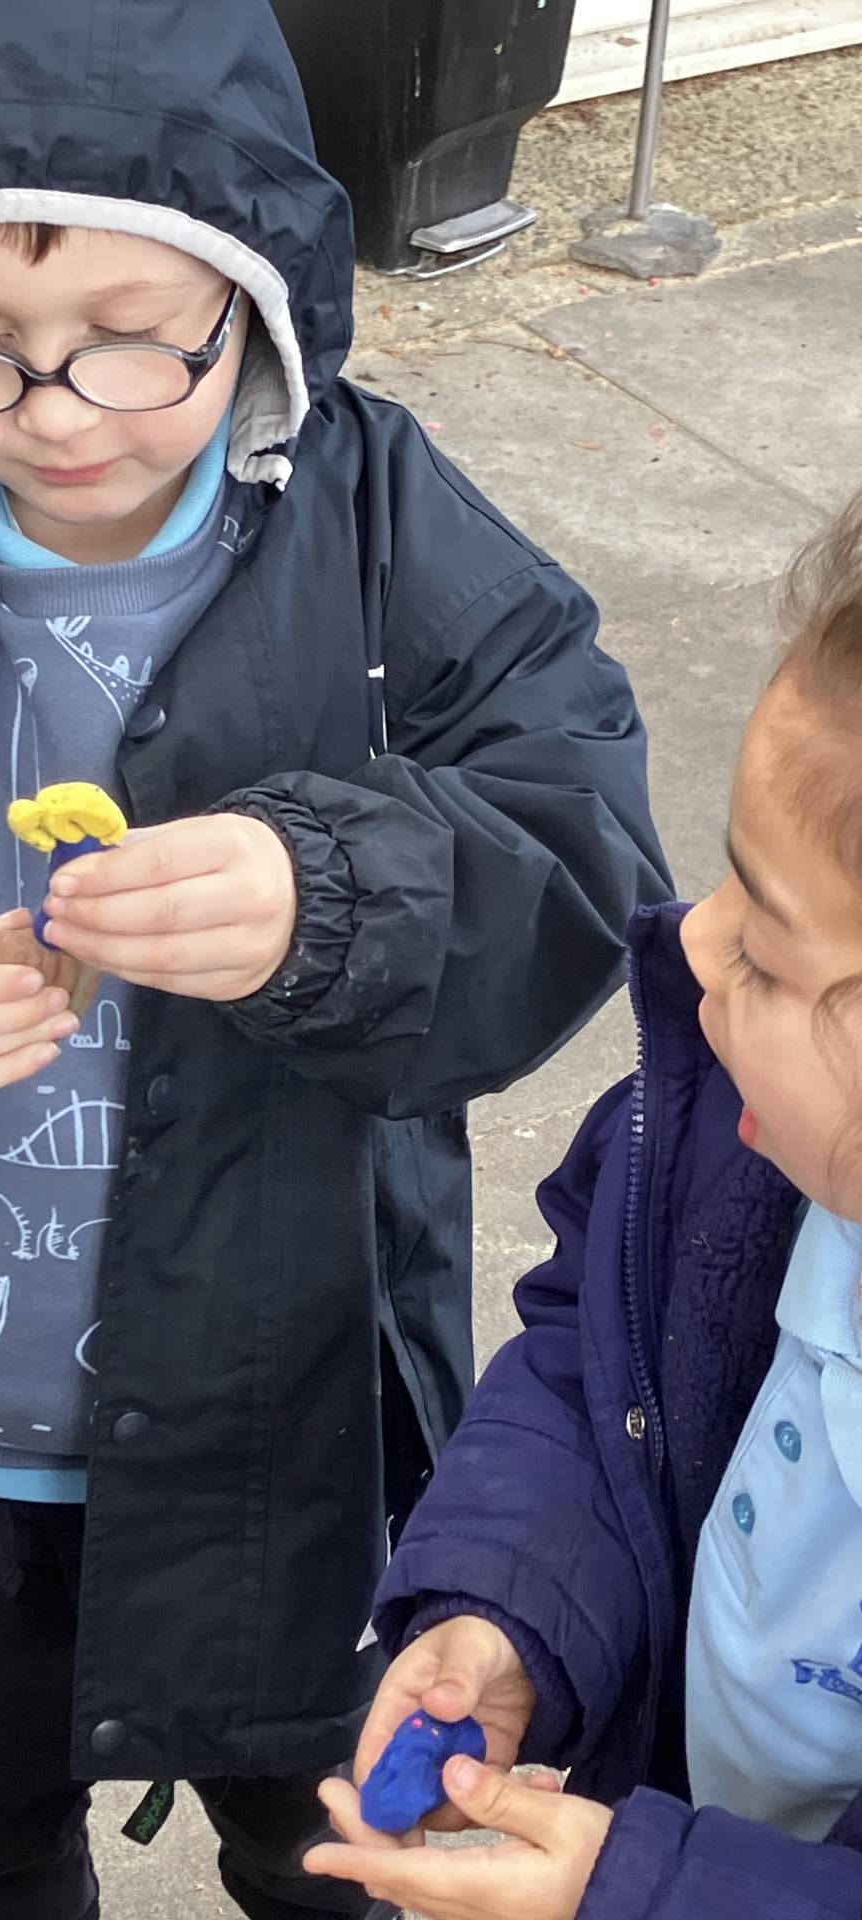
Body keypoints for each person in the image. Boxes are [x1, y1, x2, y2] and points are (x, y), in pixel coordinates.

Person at [0, 0, 669, 1913]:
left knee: (341, 1856)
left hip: (292, 1430)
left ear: (253, 288)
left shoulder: (384, 535)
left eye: (139, 337)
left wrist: (335, 891)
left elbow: (579, 834)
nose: (61, 409)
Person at [304, 491, 862, 1919]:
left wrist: (646, 1894)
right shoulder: (745, 1141)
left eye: (771, 951)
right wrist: (511, 1611)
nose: (695, 939)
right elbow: (593, 1362)